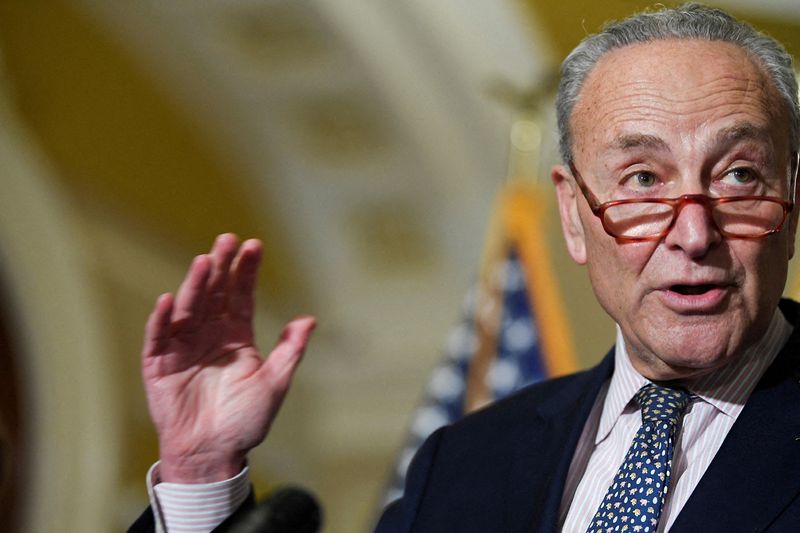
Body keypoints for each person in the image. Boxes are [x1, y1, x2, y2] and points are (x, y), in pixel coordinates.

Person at [130, 4, 800, 532]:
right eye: (643, 179)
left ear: (792, 201)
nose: (693, 232)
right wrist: (201, 473)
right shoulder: (469, 460)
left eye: (740, 175)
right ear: (573, 214)